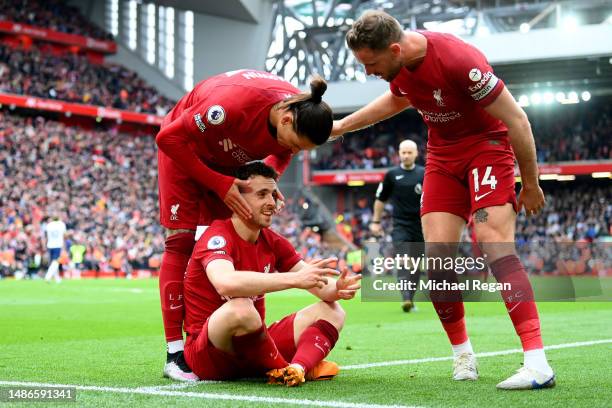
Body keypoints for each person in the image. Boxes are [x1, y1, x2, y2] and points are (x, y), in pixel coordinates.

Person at [332, 10, 554, 390]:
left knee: (495, 246)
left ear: (396, 48)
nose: (368, 72)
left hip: (487, 147)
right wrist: (340, 126)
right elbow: (394, 101)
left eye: (371, 63)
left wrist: (530, 183)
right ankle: (463, 355)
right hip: (441, 156)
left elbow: (517, 120)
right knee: (437, 260)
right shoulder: (398, 68)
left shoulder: (457, 60)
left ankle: (537, 364)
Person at [156, 69, 334, 381]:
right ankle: (175, 354)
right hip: (184, 148)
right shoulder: (230, 106)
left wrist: (270, 178)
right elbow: (167, 137)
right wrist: (218, 183)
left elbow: (282, 153)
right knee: (180, 242)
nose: (292, 151)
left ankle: (230, 336)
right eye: (294, 143)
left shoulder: (299, 109)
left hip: (229, 163)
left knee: (234, 233)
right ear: (286, 120)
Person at [183, 162, 361, 385]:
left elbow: (317, 284)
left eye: (273, 195)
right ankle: (280, 367)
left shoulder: (273, 241)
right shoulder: (216, 236)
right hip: (211, 355)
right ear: (237, 199)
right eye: (262, 194)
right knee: (241, 308)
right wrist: (294, 280)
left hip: (254, 346)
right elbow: (225, 283)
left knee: (333, 311)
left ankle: (297, 369)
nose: (271, 203)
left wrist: (337, 288)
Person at [370, 139, 424, 312]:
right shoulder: (391, 175)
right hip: (400, 225)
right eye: (403, 152)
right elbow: (380, 199)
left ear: (416, 153)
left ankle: (410, 299)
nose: (406, 155)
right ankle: (406, 298)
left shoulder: (424, 174)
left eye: (409, 152)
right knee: (403, 258)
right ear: (398, 153)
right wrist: (376, 221)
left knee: (415, 266)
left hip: (421, 227)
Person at [43, 215, 67, 283]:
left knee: (53, 262)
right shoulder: (61, 224)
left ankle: (57, 279)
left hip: (50, 244)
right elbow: (65, 235)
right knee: (55, 262)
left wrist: (45, 245)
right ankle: (47, 276)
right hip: (58, 244)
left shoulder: (49, 225)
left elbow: (46, 236)